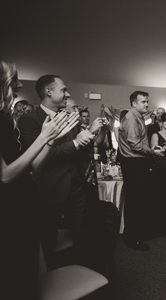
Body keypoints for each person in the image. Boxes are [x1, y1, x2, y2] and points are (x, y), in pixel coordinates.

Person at [1, 58, 78, 299]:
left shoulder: (5, 117)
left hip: (26, 204)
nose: (20, 86)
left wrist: (53, 138)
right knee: (17, 277)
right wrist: (44, 137)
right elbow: (5, 175)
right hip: (10, 210)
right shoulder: (18, 119)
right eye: (13, 80)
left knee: (29, 273)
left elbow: (32, 166)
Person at [19, 75, 100, 256]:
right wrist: (76, 144)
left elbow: (82, 150)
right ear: (49, 92)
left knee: (83, 239)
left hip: (77, 187)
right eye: (63, 90)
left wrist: (90, 135)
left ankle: (82, 274)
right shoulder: (30, 120)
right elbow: (40, 155)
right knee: (47, 241)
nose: (67, 93)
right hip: (50, 190)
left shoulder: (69, 118)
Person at [118, 91, 164, 251]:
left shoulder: (137, 117)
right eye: (143, 102)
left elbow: (138, 142)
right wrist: (153, 152)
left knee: (137, 201)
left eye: (147, 101)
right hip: (133, 163)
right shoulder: (131, 118)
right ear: (134, 104)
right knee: (135, 202)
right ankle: (132, 239)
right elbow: (134, 144)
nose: (146, 104)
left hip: (136, 163)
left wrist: (151, 149)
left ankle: (135, 235)